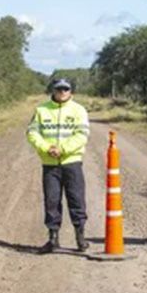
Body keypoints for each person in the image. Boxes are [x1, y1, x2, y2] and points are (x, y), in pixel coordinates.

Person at [26, 78, 91, 253]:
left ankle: (80, 238)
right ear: (52, 90)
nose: (62, 92)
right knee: (51, 201)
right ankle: (53, 239)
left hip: (72, 162)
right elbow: (32, 132)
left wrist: (62, 149)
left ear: (71, 91)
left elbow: (82, 135)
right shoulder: (41, 110)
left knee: (76, 200)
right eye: (59, 89)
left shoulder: (79, 110)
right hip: (50, 164)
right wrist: (47, 148)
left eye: (66, 89)